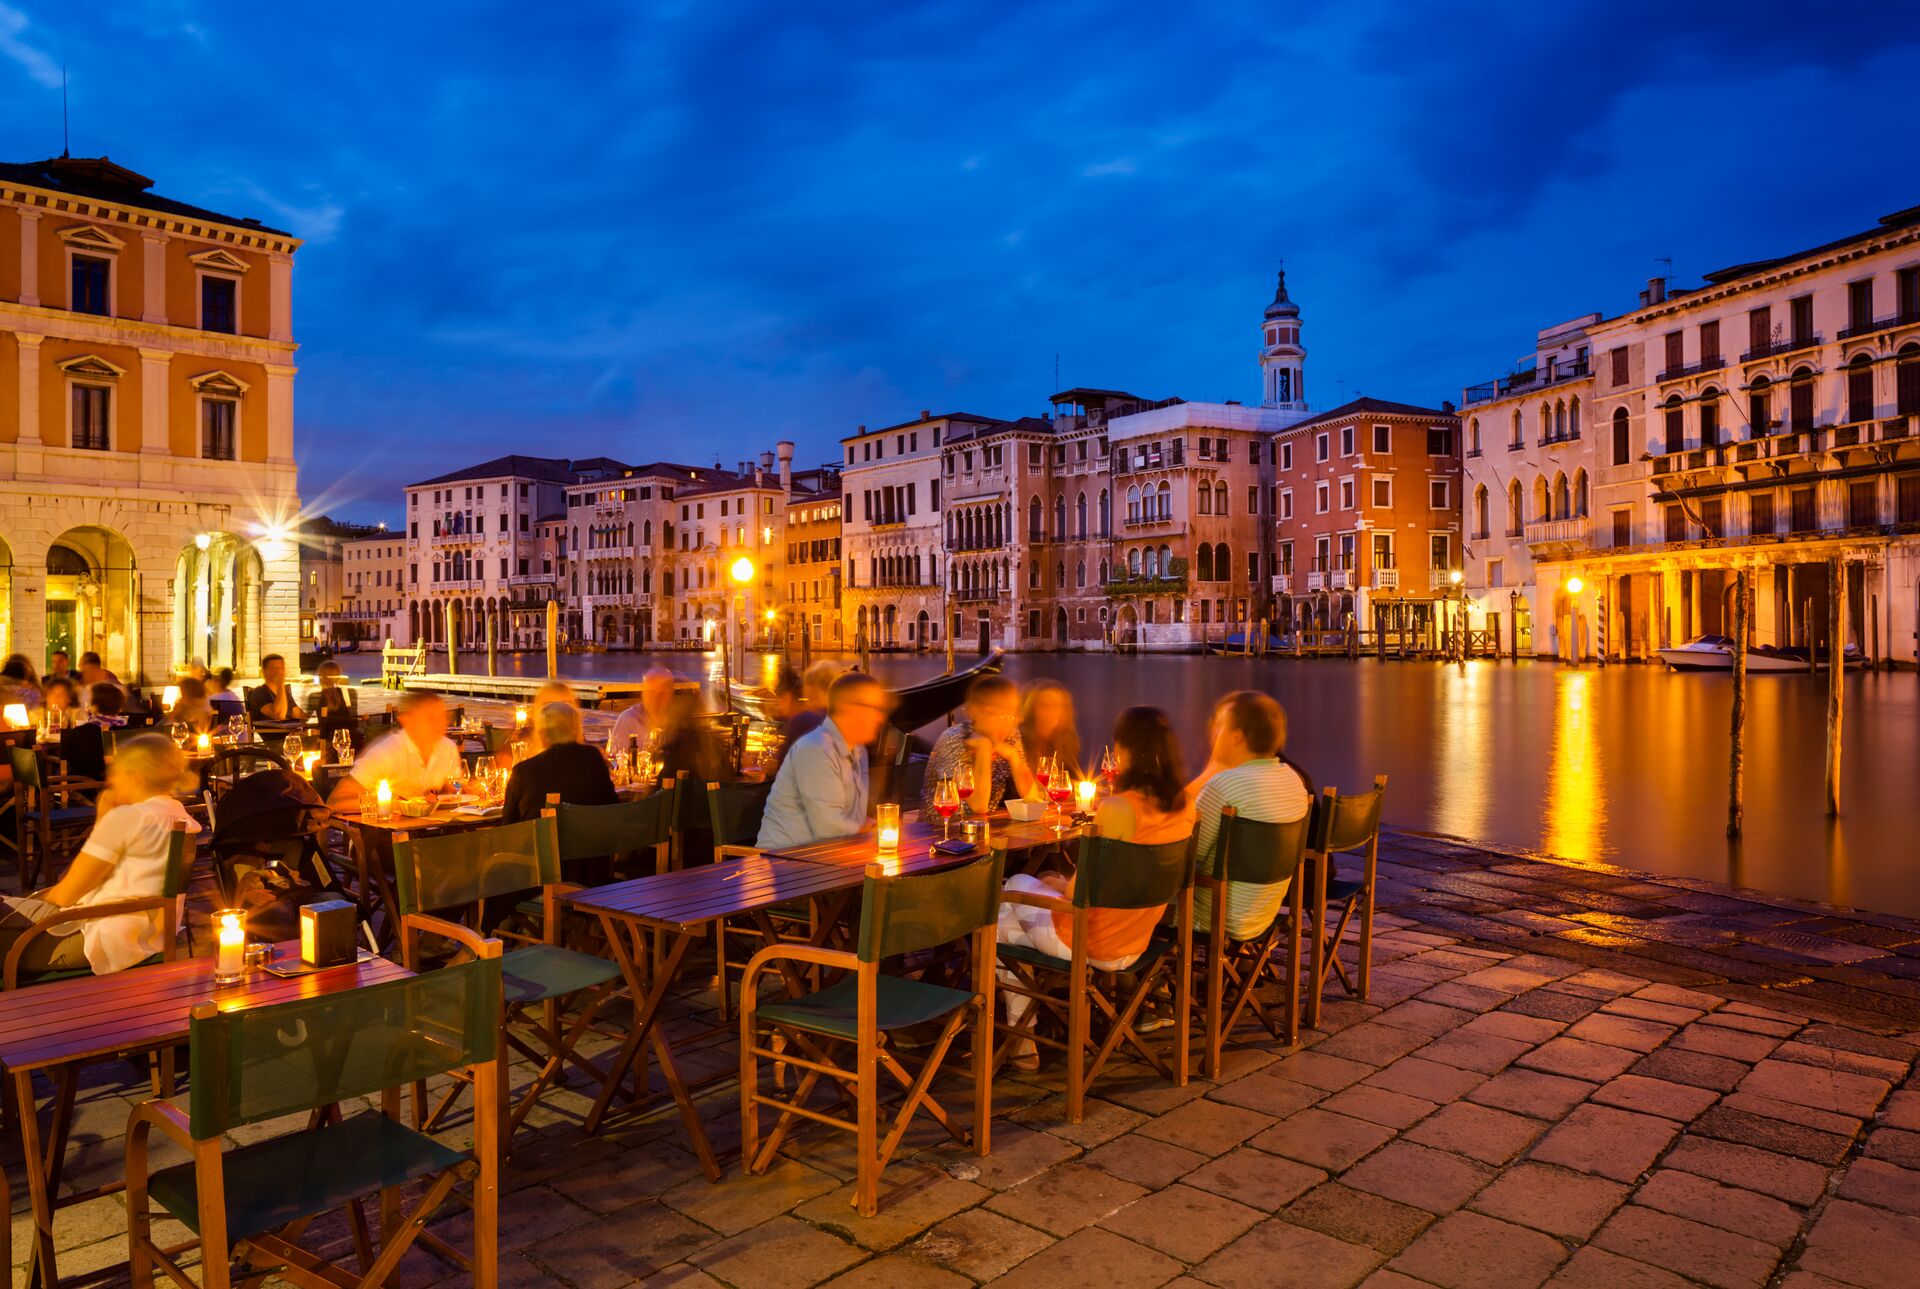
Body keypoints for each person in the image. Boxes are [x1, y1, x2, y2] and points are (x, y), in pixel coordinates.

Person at [996, 706, 1192, 1067]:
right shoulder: (1185, 807)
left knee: (1002, 905)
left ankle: (1023, 1038)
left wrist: (1055, 881)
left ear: (1128, 751)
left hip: (1091, 940)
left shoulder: (1118, 808)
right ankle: (1029, 1034)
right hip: (1140, 940)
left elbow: (1077, 895)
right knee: (1017, 906)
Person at [0, 734, 199, 979]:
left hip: (100, 939)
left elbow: (65, 894)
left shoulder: (128, 818)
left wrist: (30, 905)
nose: (110, 780)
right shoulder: (178, 816)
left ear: (135, 776)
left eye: (116, 772)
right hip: (150, 937)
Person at [1188, 690, 1313, 942]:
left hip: (1212, 912)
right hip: (1262, 913)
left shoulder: (1224, 785)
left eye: (1220, 726)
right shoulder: (1293, 780)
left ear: (1236, 736)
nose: (1213, 733)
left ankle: (1126, 973)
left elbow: (1189, 853)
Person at [756, 672, 889, 850]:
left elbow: (847, 819)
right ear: (848, 709)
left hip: (826, 857)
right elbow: (828, 828)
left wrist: (876, 825)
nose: (880, 717)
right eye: (874, 708)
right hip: (784, 860)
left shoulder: (858, 752)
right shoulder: (816, 749)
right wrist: (871, 832)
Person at [502, 702, 619, 886]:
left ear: (543, 734)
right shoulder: (593, 759)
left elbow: (508, 830)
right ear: (575, 730)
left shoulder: (524, 771)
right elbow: (612, 807)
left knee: (492, 870)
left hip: (538, 879)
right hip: (593, 875)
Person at [327, 690, 462, 810]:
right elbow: (337, 801)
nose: (440, 724)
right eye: (430, 718)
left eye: (443, 717)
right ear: (408, 721)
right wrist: (390, 804)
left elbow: (449, 788)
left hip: (435, 830)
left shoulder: (447, 748)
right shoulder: (386, 752)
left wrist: (468, 789)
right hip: (387, 832)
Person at [921, 674, 1034, 818]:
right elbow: (979, 806)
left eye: (1010, 715)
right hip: (940, 830)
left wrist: (1014, 757)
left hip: (985, 830)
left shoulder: (1010, 736)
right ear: (973, 711)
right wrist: (984, 748)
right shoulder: (954, 739)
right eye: (995, 714)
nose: (1005, 723)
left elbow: (1033, 797)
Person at [768, 659, 845, 778]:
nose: (808, 705)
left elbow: (783, 766)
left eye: (811, 698)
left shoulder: (805, 721)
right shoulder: (845, 722)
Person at [60, 683, 128, 785]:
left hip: (85, 788)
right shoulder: (129, 731)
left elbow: (71, 760)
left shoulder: (80, 733)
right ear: (119, 708)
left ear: (94, 707)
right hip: (123, 787)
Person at [1019, 680, 1082, 780]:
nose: (1050, 712)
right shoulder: (1019, 740)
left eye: (1056, 706)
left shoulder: (1068, 740)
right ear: (1032, 709)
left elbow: (1071, 779)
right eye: (1044, 705)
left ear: (1064, 711)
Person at [607, 667, 676, 757]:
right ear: (643, 693)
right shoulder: (628, 719)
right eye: (651, 693)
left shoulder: (681, 721)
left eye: (662, 694)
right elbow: (617, 758)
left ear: (671, 693)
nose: (656, 699)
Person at [307, 660, 358, 750]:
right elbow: (355, 720)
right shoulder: (349, 693)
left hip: (327, 739)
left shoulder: (315, 696)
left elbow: (305, 721)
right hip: (346, 739)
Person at [245, 654, 305, 724]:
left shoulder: (284, 693)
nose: (279, 672)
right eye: (274, 668)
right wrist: (280, 684)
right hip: (272, 732)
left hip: (292, 732)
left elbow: (297, 713)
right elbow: (279, 715)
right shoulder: (258, 693)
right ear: (264, 671)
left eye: (281, 668)